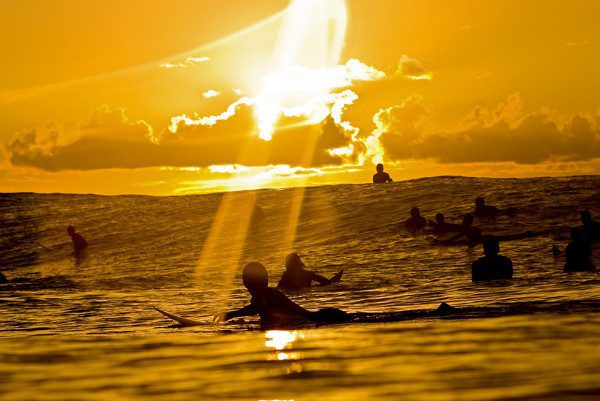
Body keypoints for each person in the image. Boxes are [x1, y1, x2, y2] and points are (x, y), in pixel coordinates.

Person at [218, 262, 349, 328]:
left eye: (244, 278)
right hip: (318, 316)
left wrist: (230, 315)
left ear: (247, 282)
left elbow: (254, 308)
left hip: (320, 318)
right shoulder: (266, 294)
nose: (243, 281)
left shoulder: (265, 295)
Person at [277, 253, 343, 290]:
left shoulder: (286, 275)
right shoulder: (307, 274)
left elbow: (278, 289)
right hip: (308, 294)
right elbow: (327, 282)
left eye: (287, 262)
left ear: (290, 264)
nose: (285, 265)